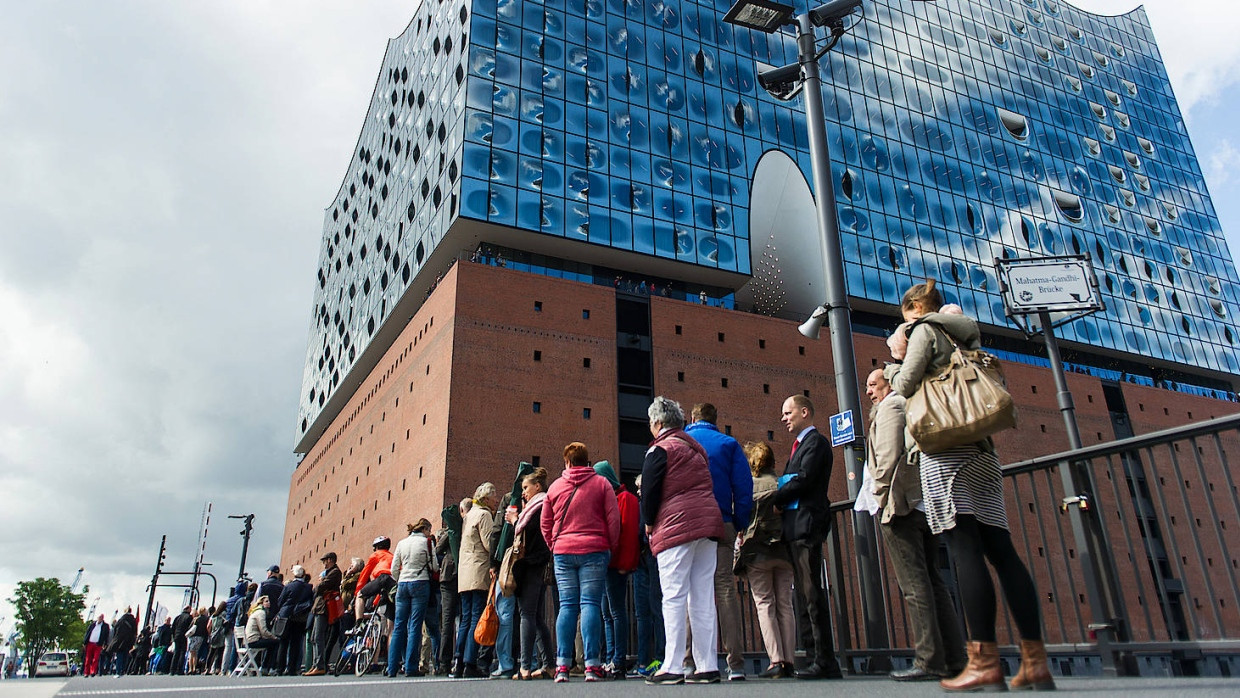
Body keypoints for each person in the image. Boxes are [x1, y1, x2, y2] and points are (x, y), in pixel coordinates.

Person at [890, 279, 1053, 691]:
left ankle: (983, 661)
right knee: (1002, 551)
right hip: (982, 451)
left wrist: (895, 360)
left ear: (915, 308)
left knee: (963, 548)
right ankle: (1035, 661)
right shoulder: (965, 335)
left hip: (946, 452)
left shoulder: (924, 330)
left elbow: (904, 386)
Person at [865, 366, 967, 681]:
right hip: (922, 505)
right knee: (934, 581)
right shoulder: (908, 403)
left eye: (874, 384)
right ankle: (954, 658)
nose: (869, 391)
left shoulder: (891, 406)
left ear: (889, 383)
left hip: (901, 507)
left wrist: (880, 495)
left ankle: (929, 660)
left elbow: (887, 457)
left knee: (914, 585)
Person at [641, 396, 726, 685]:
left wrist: (649, 523)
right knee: (702, 596)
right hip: (707, 524)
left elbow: (650, 491)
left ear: (658, 423)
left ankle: (673, 665)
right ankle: (707, 665)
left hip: (676, 526)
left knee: (674, 596)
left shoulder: (659, 450)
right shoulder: (696, 449)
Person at [773, 394, 842, 679]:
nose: (784, 418)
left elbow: (804, 479)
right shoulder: (800, 446)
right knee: (802, 594)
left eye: (788, 412)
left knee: (812, 592)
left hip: (807, 525)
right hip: (795, 526)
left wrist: (776, 497)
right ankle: (814, 656)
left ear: (804, 412)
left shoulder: (816, 443)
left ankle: (824, 660)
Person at [683, 402, 753, 680]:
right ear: (715, 420)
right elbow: (743, 487)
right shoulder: (729, 444)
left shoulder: (681, 442)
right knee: (724, 588)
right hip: (721, 520)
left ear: (692, 418)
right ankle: (735, 663)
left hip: (688, 521)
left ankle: (688, 660)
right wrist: (739, 522)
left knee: (690, 589)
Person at [542, 442, 620, 682]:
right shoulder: (602, 484)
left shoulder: (555, 487)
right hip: (595, 549)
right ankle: (591, 665)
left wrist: (554, 544)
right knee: (590, 604)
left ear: (567, 462)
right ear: (587, 461)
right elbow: (613, 519)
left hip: (563, 552)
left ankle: (562, 666)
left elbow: (545, 522)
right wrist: (609, 545)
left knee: (567, 606)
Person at [737, 441, 797, 679]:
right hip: (784, 550)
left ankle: (776, 660)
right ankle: (790, 660)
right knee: (785, 604)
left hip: (757, 552)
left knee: (765, 604)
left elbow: (740, 517)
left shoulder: (748, 487)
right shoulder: (784, 484)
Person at [593, 460, 639, 679]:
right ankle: (611, 658)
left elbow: (628, 535)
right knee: (608, 614)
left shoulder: (626, 499)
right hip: (606, 564)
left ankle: (618, 659)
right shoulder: (612, 499)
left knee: (615, 612)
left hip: (615, 565)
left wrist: (625, 564)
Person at [508, 467, 554, 680]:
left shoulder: (540, 505)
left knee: (527, 614)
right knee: (535, 616)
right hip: (536, 564)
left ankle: (525, 666)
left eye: (526, 487)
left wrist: (515, 521)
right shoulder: (537, 506)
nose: (523, 492)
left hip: (532, 564)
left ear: (537, 486)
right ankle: (549, 664)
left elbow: (533, 534)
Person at [454, 483, 497, 678]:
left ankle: (458, 661)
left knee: (465, 618)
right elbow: (488, 544)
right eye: (494, 497)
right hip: (478, 570)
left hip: (465, 573)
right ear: (486, 499)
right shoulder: (484, 515)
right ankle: (470, 662)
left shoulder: (469, 515)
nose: (496, 500)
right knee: (475, 617)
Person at [388, 518, 439, 677]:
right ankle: (410, 667)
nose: (429, 533)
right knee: (415, 626)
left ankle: (391, 668)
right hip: (420, 583)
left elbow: (394, 568)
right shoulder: (427, 543)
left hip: (403, 584)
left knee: (399, 626)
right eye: (429, 530)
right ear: (425, 529)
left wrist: (400, 579)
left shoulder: (402, 543)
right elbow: (434, 566)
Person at [629, 474, 665, 679]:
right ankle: (644, 660)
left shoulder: (652, 504)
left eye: (641, 487)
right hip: (643, 557)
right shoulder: (642, 504)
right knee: (644, 610)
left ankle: (659, 657)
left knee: (656, 607)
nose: (639, 491)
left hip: (652, 556)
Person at [306, 551, 342, 676]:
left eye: (325, 561)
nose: (324, 564)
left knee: (318, 636)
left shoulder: (335, 572)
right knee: (314, 637)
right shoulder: (329, 573)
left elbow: (320, 587)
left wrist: (320, 584)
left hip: (324, 607)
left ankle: (320, 665)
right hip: (319, 607)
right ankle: (316, 664)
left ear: (330, 560)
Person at [275, 565, 315, 676]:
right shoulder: (308, 587)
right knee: (296, 644)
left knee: (283, 643)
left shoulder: (289, 586)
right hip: (300, 617)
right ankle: (292, 669)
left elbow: (280, 601)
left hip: (286, 616)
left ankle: (280, 669)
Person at [435, 520, 459, 674]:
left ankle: (444, 662)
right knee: (464, 619)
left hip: (449, 576)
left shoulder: (452, 529)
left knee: (447, 621)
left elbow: (437, 549)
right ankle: (461, 658)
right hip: (463, 574)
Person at [244, 595, 281, 666]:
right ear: (261, 603)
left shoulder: (255, 612)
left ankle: (265, 665)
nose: (269, 603)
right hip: (254, 640)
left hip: (248, 640)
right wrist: (273, 637)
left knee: (270, 643)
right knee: (276, 642)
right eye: (266, 601)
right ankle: (269, 666)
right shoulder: (261, 613)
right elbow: (263, 631)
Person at [107, 608, 136, 676]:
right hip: (129, 640)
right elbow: (135, 631)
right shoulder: (133, 620)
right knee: (125, 655)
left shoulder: (121, 619)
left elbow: (116, 629)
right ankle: (123, 670)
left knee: (119, 655)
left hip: (120, 640)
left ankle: (118, 670)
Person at [169, 606, 193, 675]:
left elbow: (173, 627)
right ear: (188, 609)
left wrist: (174, 636)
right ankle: (179, 670)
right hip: (184, 635)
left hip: (177, 636)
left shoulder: (178, 617)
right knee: (182, 652)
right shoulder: (189, 617)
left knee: (176, 652)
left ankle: (172, 670)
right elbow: (190, 627)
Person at [205, 604, 226, 674]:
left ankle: (207, 668)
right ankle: (218, 669)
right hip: (221, 635)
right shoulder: (224, 615)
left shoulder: (213, 615)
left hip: (213, 635)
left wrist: (210, 634)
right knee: (220, 653)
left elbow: (208, 626)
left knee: (211, 653)